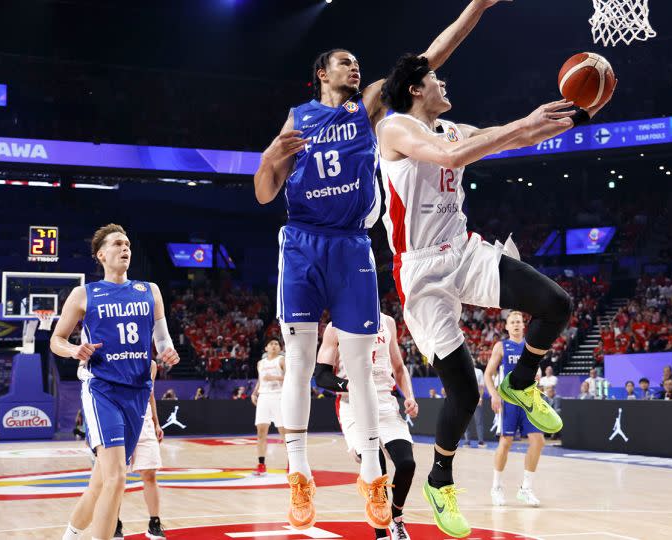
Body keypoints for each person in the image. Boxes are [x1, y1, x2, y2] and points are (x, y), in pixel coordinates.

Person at [252, 1, 510, 530]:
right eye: (345, 62)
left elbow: (428, 58)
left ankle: (372, 474)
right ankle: (297, 475)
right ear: (321, 74)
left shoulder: (367, 107)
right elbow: (262, 194)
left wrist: (477, 7)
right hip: (302, 242)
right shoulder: (297, 120)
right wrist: (269, 158)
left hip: (350, 245)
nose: (355, 68)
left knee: (362, 371)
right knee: (300, 362)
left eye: (357, 63)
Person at [376, 47, 613, 531]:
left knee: (557, 304)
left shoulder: (454, 127)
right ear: (416, 89)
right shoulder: (395, 127)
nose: (445, 84)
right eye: (436, 79)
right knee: (462, 393)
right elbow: (452, 155)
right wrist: (519, 125)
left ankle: (521, 382)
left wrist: (577, 112)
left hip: (462, 250)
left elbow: (518, 135)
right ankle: (440, 480)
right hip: (420, 273)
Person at [53, 224, 179, 540]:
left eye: (128, 244)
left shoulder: (149, 290)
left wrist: (168, 353)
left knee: (100, 483)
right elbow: (56, 339)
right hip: (102, 390)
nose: (126, 248)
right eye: (118, 244)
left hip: (137, 393)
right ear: (101, 254)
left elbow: (162, 341)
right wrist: (73, 350)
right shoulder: (84, 294)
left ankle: (69, 536)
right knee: (117, 479)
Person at [314, 313, 419, 540]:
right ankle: (380, 534)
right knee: (376, 466)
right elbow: (321, 376)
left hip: (385, 403)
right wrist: (349, 384)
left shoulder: (388, 322)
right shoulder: (335, 327)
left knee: (407, 463)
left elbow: (399, 368)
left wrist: (409, 396)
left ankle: (396, 518)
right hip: (353, 404)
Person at [484, 312, 545, 509]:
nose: (517, 325)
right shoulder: (501, 346)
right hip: (509, 401)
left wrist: (538, 376)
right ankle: (496, 487)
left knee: (538, 440)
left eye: (519, 321)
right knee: (506, 442)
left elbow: (538, 370)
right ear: (507, 327)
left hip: (528, 400)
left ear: (523, 325)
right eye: (513, 322)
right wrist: (494, 394)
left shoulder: (531, 345)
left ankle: (526, 488)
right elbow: (488, 374)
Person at [111, 360, 168, 540]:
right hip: (119, 421)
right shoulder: (113, 357)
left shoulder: (150, 365)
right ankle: (114, 523)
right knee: (117, 478)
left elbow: (150, 394)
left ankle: (154, 523)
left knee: (150, 474)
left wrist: (157, 423)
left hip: (144, 422)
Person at [251, 339, 285, 477]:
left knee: (284, 432)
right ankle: (261, 464)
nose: (274, 346)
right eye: (271, 344)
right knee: (261, 432)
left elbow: (291, 377)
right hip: (264, 397)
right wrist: (254, 393)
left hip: (279, 396)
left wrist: (275, 378)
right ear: (266, 348)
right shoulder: (261, 363)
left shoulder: (282, 360)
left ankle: (292, 464)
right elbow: (260, 380)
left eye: (276, 344)